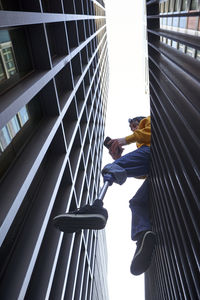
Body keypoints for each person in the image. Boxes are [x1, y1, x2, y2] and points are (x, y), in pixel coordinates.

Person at [53, 116, 156, 276]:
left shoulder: (148, 120)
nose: (134, 129)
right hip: (153, 168)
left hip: (153, 152)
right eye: (132, 128)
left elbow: (150, 133)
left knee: (110, 168)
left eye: (134, 125)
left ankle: (96, 207)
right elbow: (141, 175)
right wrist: (120, 160)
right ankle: (143, 236)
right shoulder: (140, 142)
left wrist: (123, 141)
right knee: (136, 202)